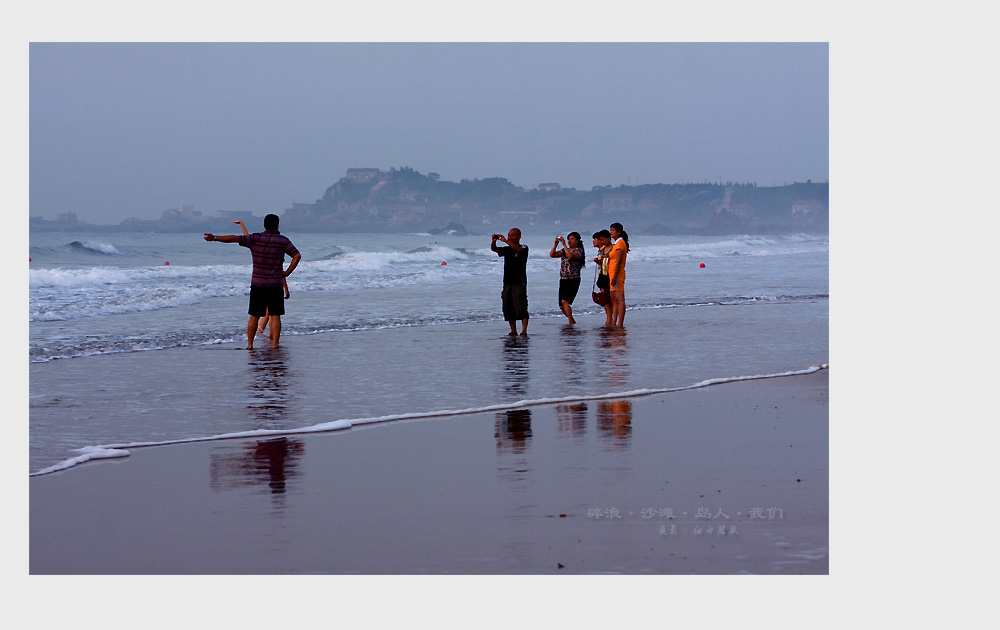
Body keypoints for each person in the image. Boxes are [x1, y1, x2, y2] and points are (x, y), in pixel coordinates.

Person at [204, 214, 301, 349]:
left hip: (258, 284)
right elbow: (297, 255)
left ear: (264, 225)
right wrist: (287, 272)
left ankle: (250, 345)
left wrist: (215, 238)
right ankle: (275, 345)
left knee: (254, 316)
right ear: (278, 225)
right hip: (274, 284)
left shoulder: (255, 238)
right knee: (275, 315)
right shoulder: (283, 241)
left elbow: (234, 238)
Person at [234, 220, 290, 335]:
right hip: (273, 284)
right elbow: (281, 273)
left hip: (259, 283)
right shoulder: (277, 247)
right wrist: (286, 289)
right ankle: (265, 334)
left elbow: (246, 237)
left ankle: (261, 334)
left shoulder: (257, 243)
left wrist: (242, 225)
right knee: (272, 314)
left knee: (265, 314)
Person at [491, 228, 529, 336]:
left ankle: (524, 330)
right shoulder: (507, 249)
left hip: (519, 282)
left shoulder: (524, 247)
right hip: (507, 282)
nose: (509, 237)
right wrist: (494, 241)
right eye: (508, 235)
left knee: (521, 306)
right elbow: (495, 250)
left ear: (519, 237)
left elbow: (518, 249)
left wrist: (506, 241)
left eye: (512, 235)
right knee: (508, 306)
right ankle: (513, 330)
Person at [549, 232, 585, 325]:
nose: (569, 241)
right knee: (561, 305)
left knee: (565, 301)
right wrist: (556, 244)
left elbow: (570, 256)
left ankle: (570, 322)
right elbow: (552, 254)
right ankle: (572, 320)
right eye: (568, 239)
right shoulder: (565, 250)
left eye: (572, 239)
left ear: (577, 240)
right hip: (563, 278)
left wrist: (564, 244)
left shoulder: (579, 250)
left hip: (573, 279)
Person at [608, 222, 629, 328]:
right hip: (612, 273)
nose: (610, 232)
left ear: (618, 232)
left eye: (613, 230)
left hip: (617, 273)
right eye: (610, 230)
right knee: (615, 300)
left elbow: (618, 261)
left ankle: (620, 323)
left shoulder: (620, 243)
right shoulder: (616, 244)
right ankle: (614, 321)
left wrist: (615, 276)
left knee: (619, 299)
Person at [592, 230, 613, 325]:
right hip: (603, 274)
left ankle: (609, 319)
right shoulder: (602, 250)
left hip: (606, 275)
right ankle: (609, 318)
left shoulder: (606, 249)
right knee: (606, 297)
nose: (594, 241)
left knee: (606, 298)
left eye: (595, 239)